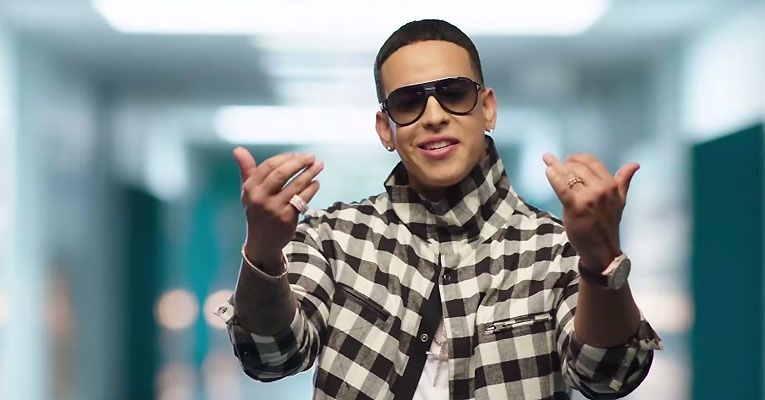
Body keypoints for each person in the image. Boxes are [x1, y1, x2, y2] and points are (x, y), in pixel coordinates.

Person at [216, 19, 662, 400]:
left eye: (453, 93)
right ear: (385, 129)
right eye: (408, 102)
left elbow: (609, 376)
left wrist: (600, 260)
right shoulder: (332, 239)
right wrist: (263, 252)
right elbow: (271, 357)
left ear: (487, 109)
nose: (433, 116)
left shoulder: (555, 248)